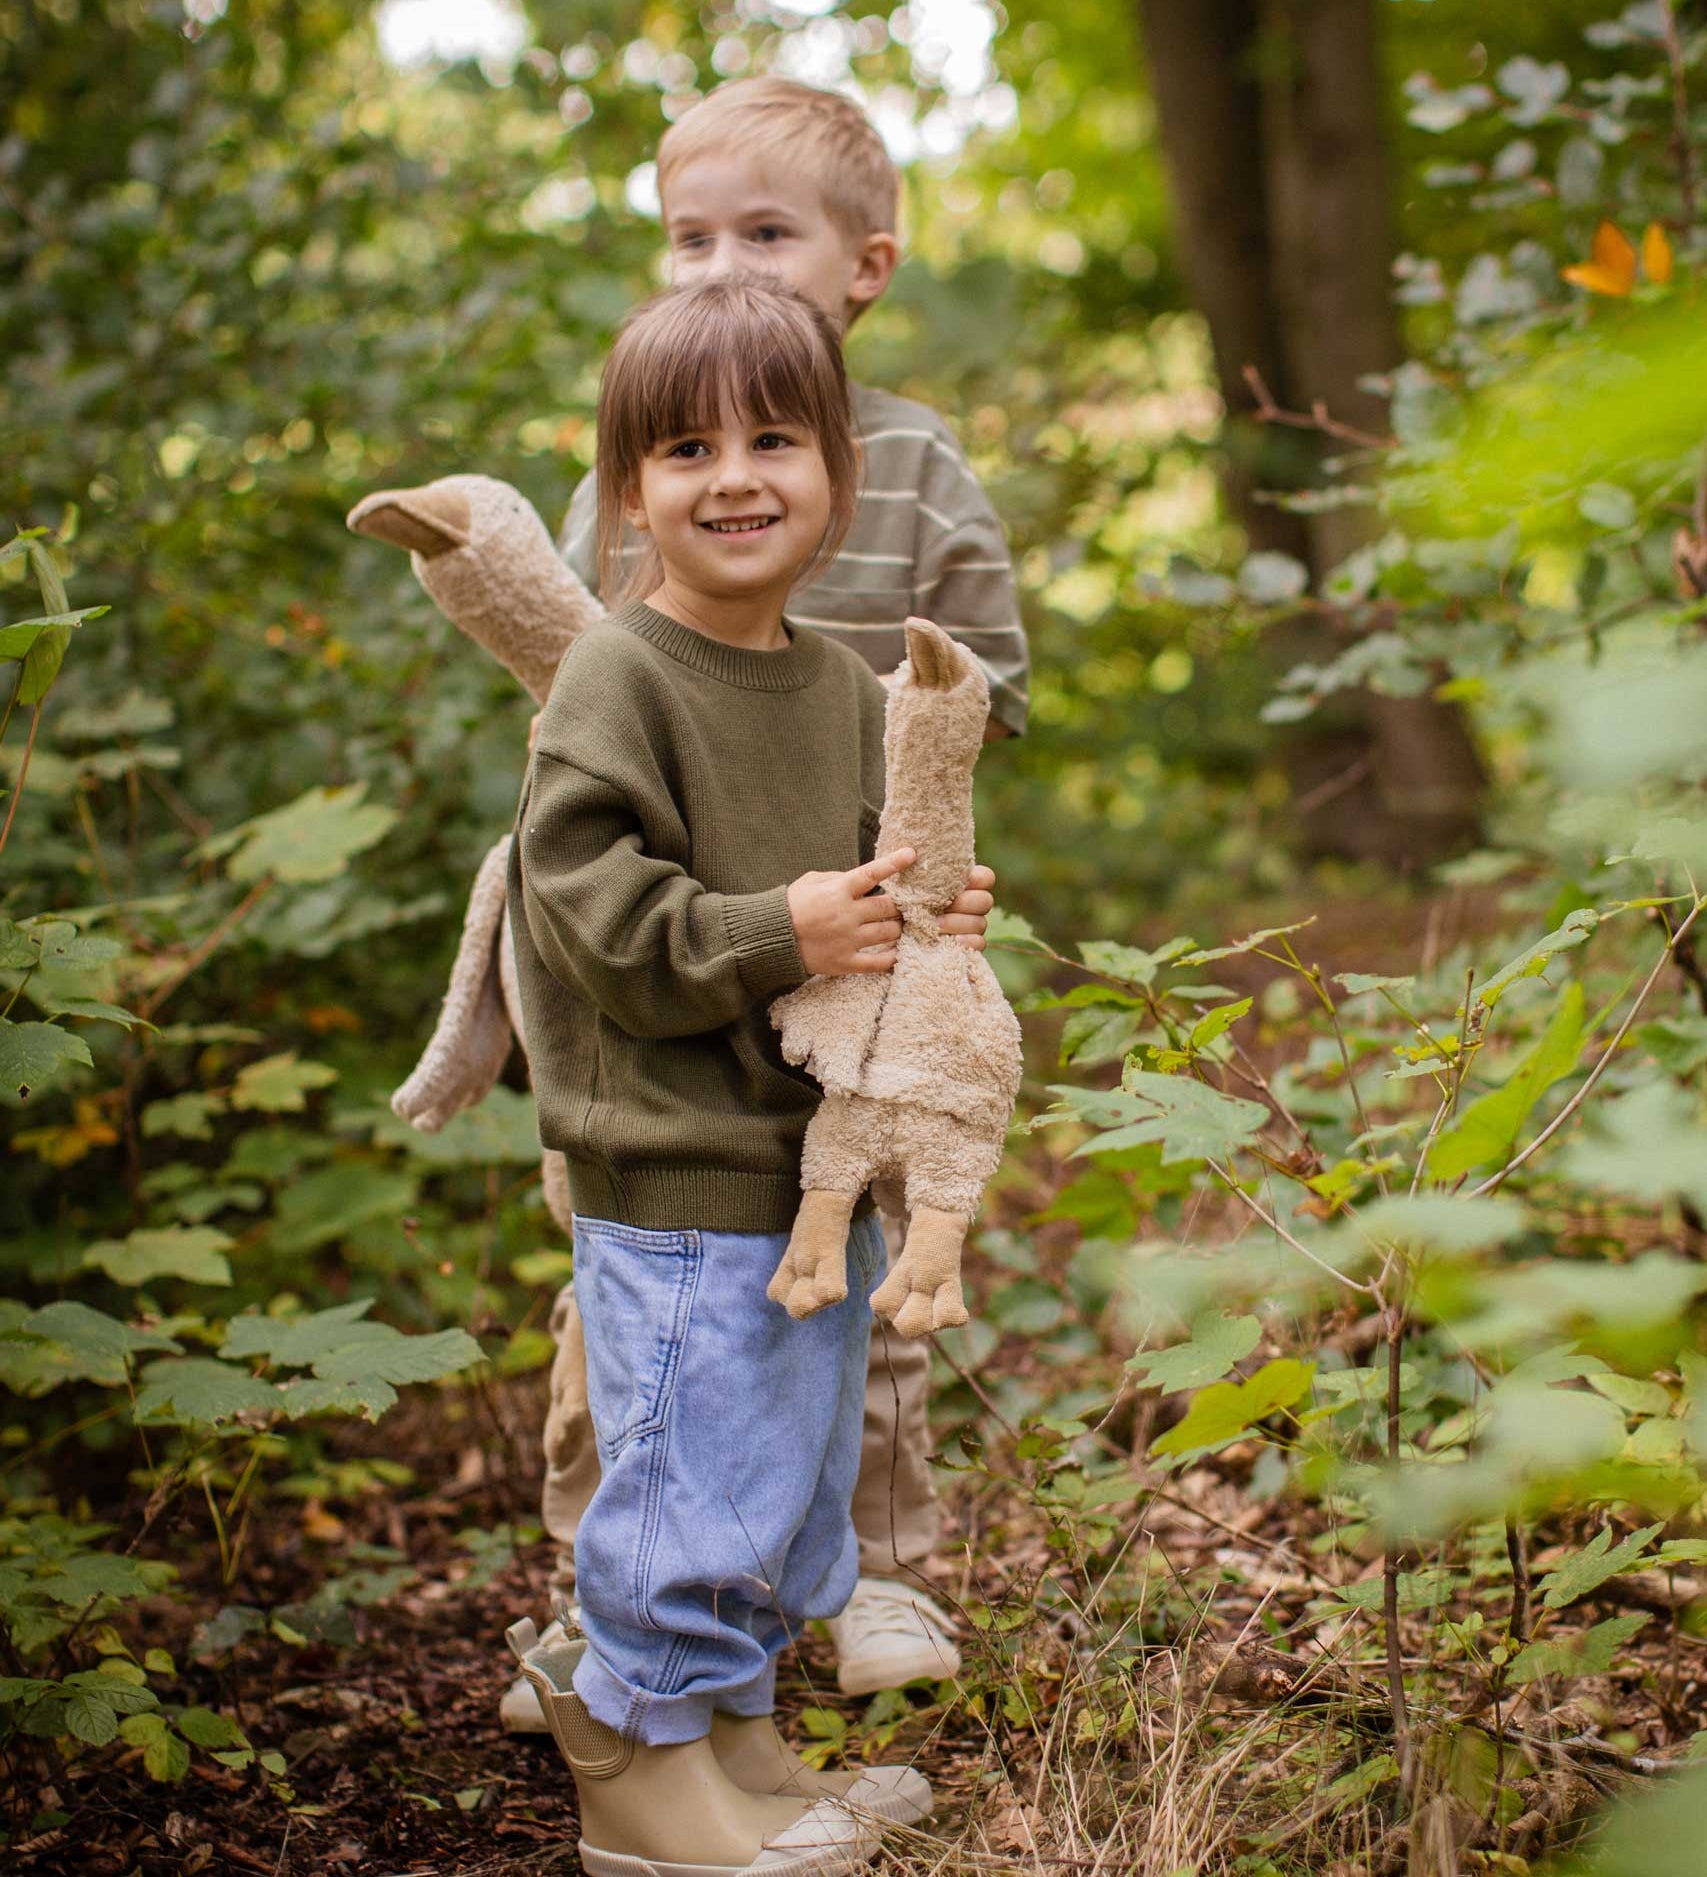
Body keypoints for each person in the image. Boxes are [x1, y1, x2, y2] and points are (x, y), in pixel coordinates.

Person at [508, 73, 1029, 1732]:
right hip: (688, 968)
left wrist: (922, 879)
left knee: (850, 1265)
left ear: (865, 265)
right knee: (636, 1303)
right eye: (688, 235)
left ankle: (863, 1567)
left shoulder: (906, 469)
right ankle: (612, 1607)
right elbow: (610, 691)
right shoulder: (658, 472)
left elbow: (975, 694)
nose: (718, 259)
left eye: (764, 231)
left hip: (853, 942)